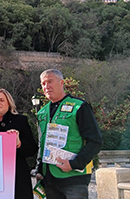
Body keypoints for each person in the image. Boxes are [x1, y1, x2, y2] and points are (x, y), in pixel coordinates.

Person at [36, 69, 103, 199]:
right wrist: (39, 169)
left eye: (50, 82)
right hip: (49, 179)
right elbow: (42, 142)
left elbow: (95, 141)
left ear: (62, 83)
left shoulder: (79, 106)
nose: (46, 86)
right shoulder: (42, 113)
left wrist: (74, 163)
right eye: (43, 83)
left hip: (74, 178)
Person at [0, 89, 37, 199]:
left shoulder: (20, 120)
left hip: (14, 176)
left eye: (2, 100)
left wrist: (18, 143)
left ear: (9, 104)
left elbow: (31, 149)